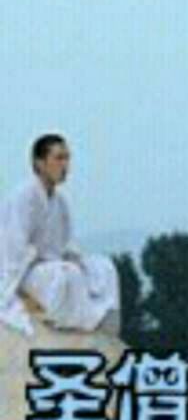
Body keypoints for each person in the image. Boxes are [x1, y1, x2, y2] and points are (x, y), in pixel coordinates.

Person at [0, 133, 120, 337]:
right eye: (59, 158)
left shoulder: (60, 202)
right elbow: (12, 249)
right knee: (66, 274)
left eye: (67, 158)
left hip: (53, 264)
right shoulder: (24, 196)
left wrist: (78, 261)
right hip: (26, 272)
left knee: (104, 267)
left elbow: (67, 243)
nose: (65, 165)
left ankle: (103, 326)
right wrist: (8, 292)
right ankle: (64, 321)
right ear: (39, 163)